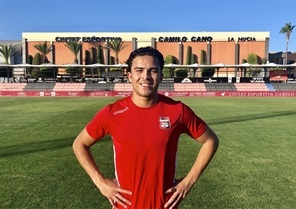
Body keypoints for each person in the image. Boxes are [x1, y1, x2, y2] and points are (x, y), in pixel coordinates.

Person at [72, 46, 219, 209]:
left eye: (153, 71)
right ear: (129, 76)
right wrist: (100, 183)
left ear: (161, 76)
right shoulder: (112, 113)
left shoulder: (178, 111)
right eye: (139, 70)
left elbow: (210, 141)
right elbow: (80, 144)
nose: (146, 77)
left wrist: (187, 183)